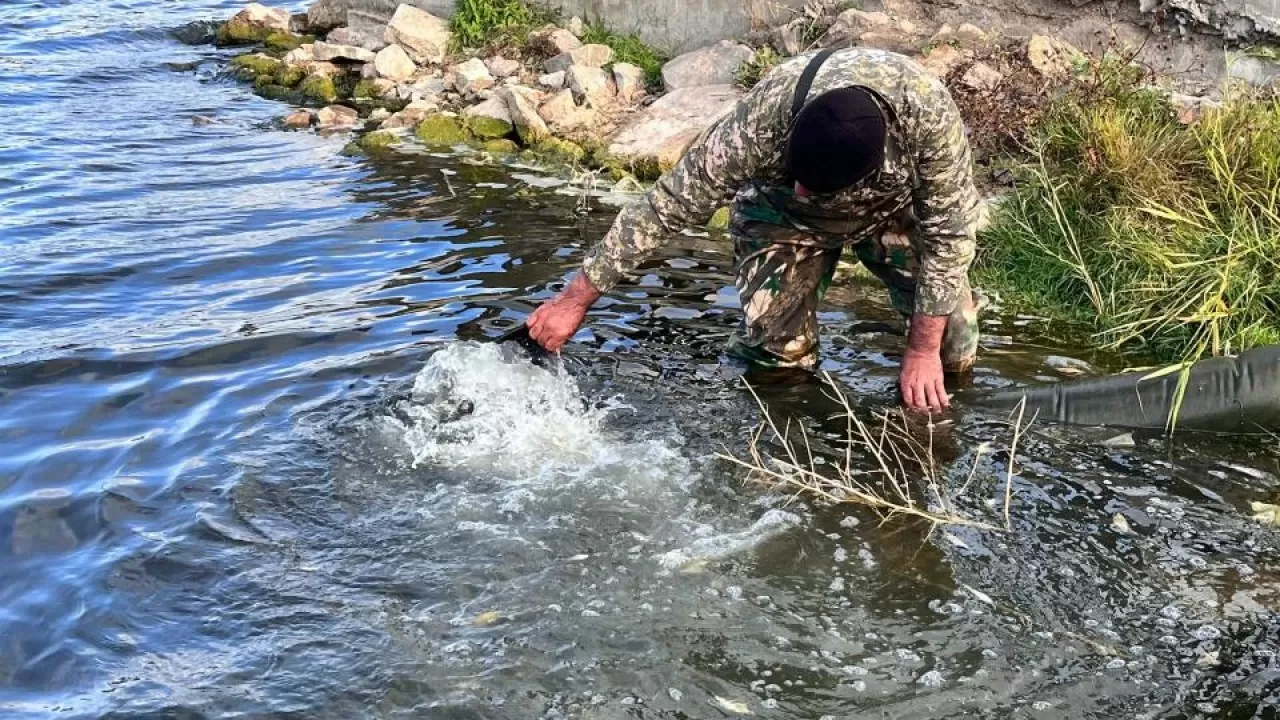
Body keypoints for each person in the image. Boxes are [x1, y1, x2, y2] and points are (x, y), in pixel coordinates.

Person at [525, 46, 985, 412]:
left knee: (949, 339)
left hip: (892, 212)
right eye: (797, 175)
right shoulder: (761, 121)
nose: (803, 189)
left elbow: (950, 235)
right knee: (779, 362)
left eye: (815, 185)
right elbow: (668, 205)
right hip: (783, 220)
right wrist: (575, 298)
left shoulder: (927, 117)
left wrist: (921, 351)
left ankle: (933, 431)